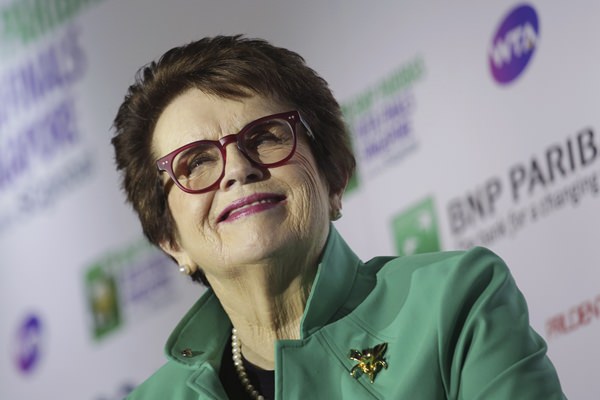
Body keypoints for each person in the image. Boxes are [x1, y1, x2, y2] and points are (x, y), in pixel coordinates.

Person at [111, 35, 565, 399]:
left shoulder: (455, 300)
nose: (237, 169)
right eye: (196, 162)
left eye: (265, 137)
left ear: (333, 179)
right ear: (170, 240)